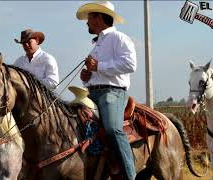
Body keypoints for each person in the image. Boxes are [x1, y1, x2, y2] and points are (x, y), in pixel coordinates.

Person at [76, 1, 137, 179]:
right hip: (92, 93)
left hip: (113, 93)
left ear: (98, 17)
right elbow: (98, 71)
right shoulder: (97, 44)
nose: (86, 22)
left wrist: (99, 66)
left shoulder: (119, 38)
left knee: (112, 128)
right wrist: (88, 77)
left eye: (89, 17)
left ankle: (129, 175)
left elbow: (130, 64)